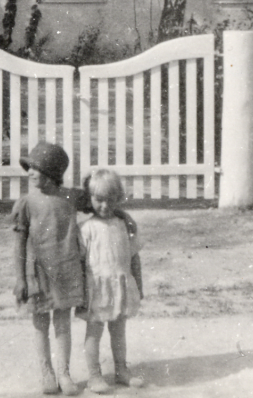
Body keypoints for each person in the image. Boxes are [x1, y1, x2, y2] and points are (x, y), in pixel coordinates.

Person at [13, 142, 135, 396]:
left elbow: (100, 201)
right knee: (39, 325)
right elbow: (19, 243)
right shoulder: (26, 202)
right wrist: (20, 279)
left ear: (51, 172)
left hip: (66, 270)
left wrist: (122, 214)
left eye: (36, 168)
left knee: (62, 325)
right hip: (37, 273)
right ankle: (46, 371)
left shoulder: (68, 197)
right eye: (30, 168)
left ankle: (64, 373)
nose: (30, 173)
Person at [78, 168, 145, 394]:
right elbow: (78, 262)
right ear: (90, 199)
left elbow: (134, 258)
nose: (104, 206)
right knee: (94, 332)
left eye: (110, 200)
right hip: (96, 289)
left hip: (120, 287)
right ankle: (94, 375)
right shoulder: (86, 229)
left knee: (119, 331)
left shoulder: (124, 226)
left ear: (118, 199)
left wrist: (139, 286)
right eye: (98, 200)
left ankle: (121, 370)